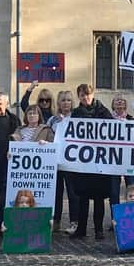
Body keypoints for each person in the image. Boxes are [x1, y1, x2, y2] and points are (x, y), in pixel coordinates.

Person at [69, 84, 113, 240]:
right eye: (82, 95)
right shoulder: (75, 113)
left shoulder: (103, 111)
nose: (85, 98)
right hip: (83, 161)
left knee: (99, 198)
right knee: (83, 197)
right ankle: (81, 228)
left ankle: (98, 229)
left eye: (87, 95)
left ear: (92, 94)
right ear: (79, 97)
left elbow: (112, 131)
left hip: (100, 161)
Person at [47, 90, 79, 234]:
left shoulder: (77, 118)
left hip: (71, 161)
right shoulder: (52, 120)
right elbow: (47, 136)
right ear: (58, 103)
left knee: (72, 192)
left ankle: (74, 222)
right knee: (56, 193)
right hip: (55, 161)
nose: (66, 103)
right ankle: (57, 221)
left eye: (68, 100)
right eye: (63, 100)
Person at [0, 92, 20, 231]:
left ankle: (1, 223)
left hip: (6, 163)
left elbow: (20, 140)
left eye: (0, 103)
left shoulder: (14, 120)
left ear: (7, 104)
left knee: (3, 196)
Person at [109, 96, 134, 229]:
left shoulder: (132, 120)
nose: (120, 102)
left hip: (129, 160)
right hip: (113, 161)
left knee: (132, 189)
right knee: (114, 192)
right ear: (112, 105)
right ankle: (115, 220)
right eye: (117, 100)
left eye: (122, 100)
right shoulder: (106, 121)